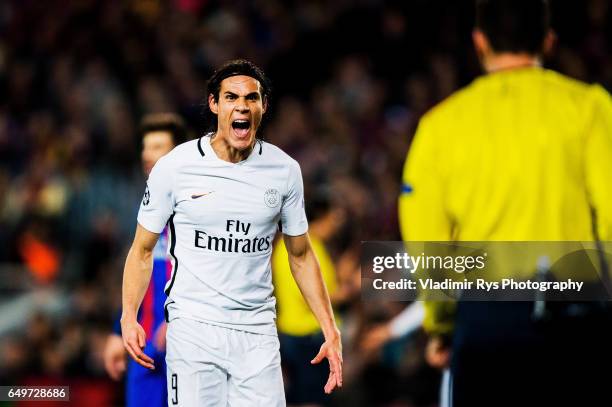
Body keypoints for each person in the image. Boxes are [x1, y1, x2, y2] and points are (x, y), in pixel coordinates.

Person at [399, 0, 612, 405]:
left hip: (485, 326)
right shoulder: (591, 108)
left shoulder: (439, 125)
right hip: (577, 321)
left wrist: (441, 325)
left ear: (480, 42)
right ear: (548, 42)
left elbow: (429, 245)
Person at [120, 59, 343, 406]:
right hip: (194, 329)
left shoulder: (284, 171)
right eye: (231, 97)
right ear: (214, 104)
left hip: (257, 335)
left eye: (252, 98)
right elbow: (142, 250)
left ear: (263, 106)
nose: (242, 105)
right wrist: (128, 314)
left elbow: (300, 254)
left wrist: (329, 328)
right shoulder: (176, 168)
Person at [103, 113, 188, 407]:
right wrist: (119, 330)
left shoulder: (194, 210)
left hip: (187, 344)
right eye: (144, 147)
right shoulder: (145, 212)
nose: (147, 155)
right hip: (144, 346)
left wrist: (177, 319)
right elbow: (139, 277)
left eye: (157, 146)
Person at [272, 188, 345, 406]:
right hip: (305, 336)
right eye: (334, 218)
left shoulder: (305, 245)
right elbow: (308, 295)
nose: (336, 225)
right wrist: (347, 293)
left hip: (297, 334)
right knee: (311, 397)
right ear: (321, 217)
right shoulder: (300, 247)